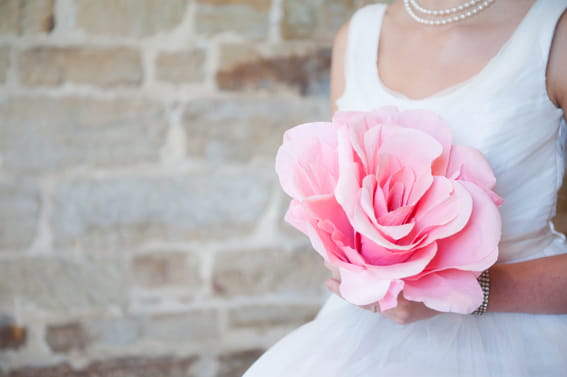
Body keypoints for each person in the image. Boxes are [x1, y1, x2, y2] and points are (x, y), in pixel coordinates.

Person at [243, 0, 567, 375]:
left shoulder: (553, 33)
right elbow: (337, 199)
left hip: (520, 338)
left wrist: (465, 291)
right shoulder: (358, 36)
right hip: (368, 338)